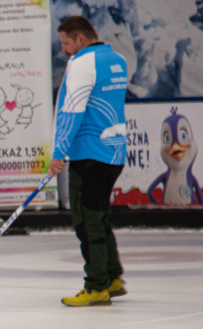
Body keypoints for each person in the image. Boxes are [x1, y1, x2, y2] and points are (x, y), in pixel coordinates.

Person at [49, 15, 128, 307]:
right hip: (114, 151)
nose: (63, 49)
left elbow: (72, 110)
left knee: (87, 220)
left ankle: (96, 286)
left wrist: (59, 152)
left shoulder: (82, 62)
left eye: (65, 42)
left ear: (80, 39)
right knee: (100, 216)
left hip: (90, 154)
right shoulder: (117, 59)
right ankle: (112, 276)